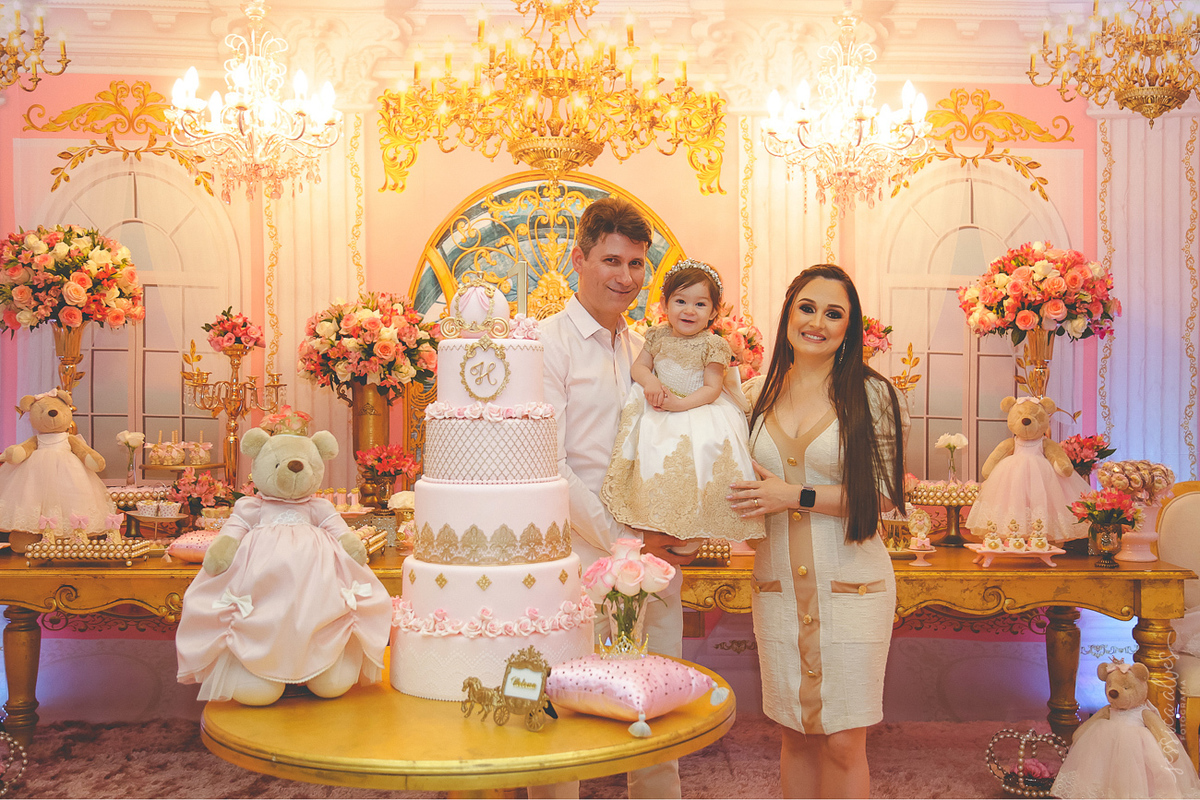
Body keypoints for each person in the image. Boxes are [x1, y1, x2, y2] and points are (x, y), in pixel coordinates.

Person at [727, 264, 907, 799]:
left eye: (834, 314)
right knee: (795, 735)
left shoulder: (872, 395)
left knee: (844, 741)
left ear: (849, 327)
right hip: (778, 588)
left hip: (854, 587)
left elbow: (883, 498)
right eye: (807, 308)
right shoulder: (751, 396)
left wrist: (795, 495)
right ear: (788, 313)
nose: (817, 322)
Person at [539, 196, 691, 800]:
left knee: (659, 708)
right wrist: (625, 540)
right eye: (611, 261)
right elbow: (548, 464)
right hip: (574, 556)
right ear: (578, 259)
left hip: (652, 554)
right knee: (562, 716)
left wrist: (682, 520)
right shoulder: (548, 343)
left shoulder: (644, 348)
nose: (625, 277)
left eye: (635, 264)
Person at [601, 259, 764, 547]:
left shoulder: (713, 344)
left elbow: (712, 388)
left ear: (713, 311)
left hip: (697, 407)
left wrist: (681, 404)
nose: (689, 310)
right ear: (665, 304)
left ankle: (696, 521)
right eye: (680, 301)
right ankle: (657, 514)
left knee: (699, 456)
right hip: (660, 404)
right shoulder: (657, 335)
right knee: (654, 454)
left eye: (700, 304)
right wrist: (651, 382)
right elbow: (639, 367)